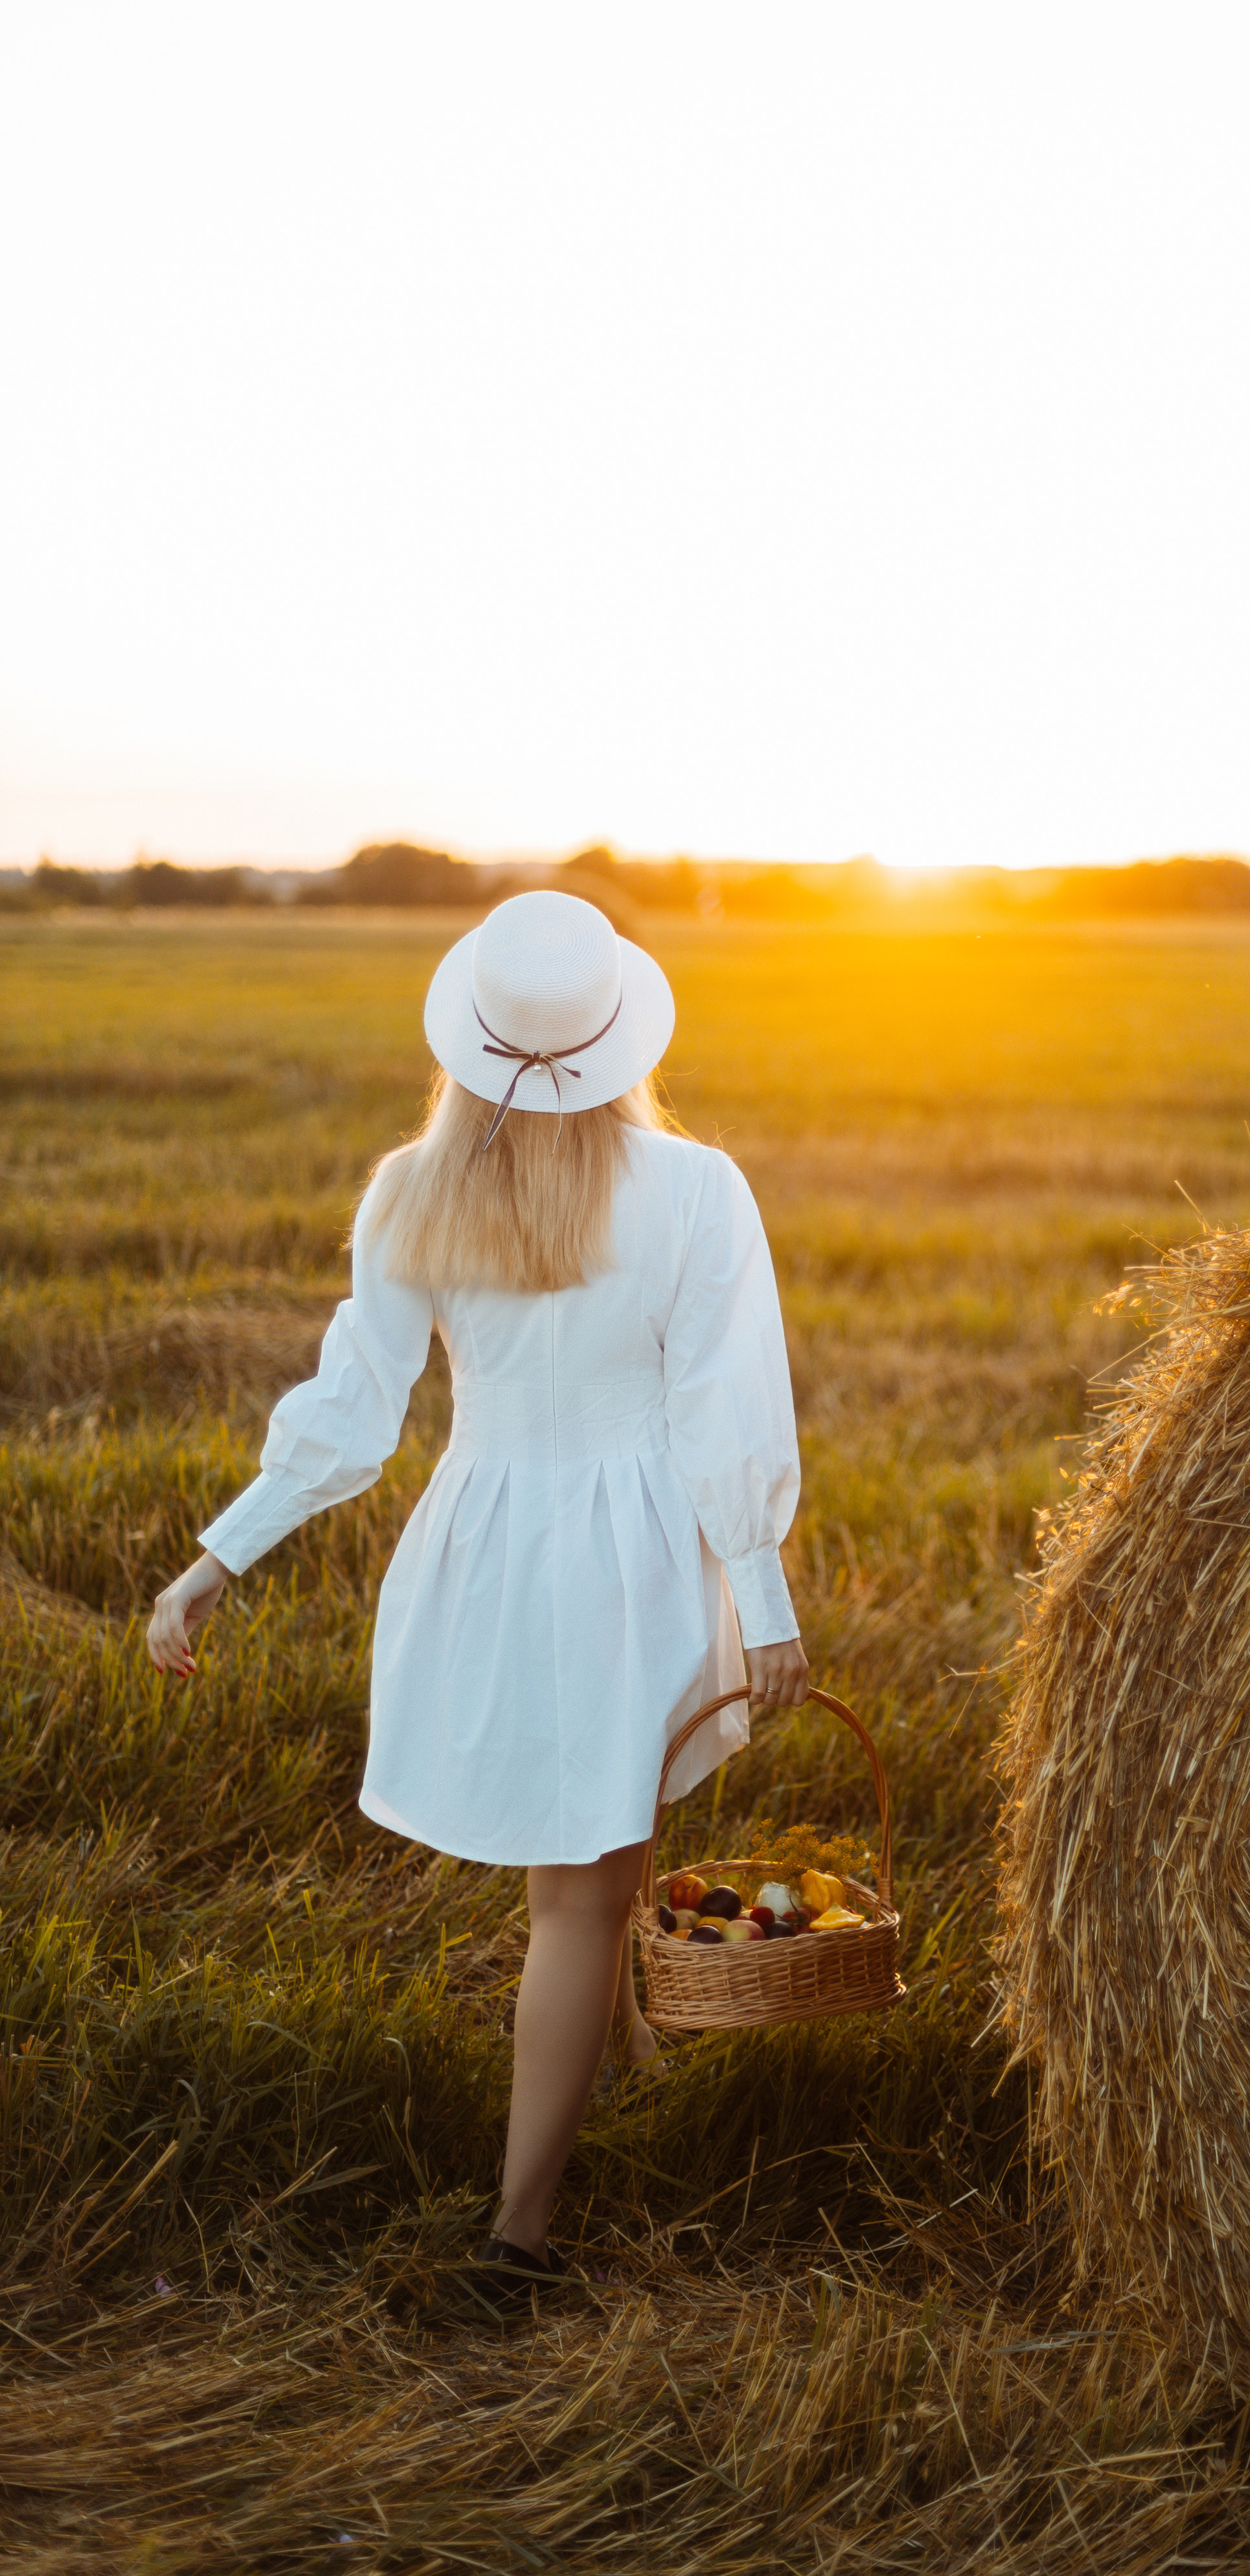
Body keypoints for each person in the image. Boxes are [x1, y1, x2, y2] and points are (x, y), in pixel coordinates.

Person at [146, 891, 807, 2290]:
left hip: (487, 1548)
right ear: (620, 1032)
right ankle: (519, 2236)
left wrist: (220, 1556)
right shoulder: (698, 1190)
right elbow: (719, 1411)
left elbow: (353, 1410)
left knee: (586, 1861)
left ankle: (614, 2071)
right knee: (581, 1892)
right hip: (634, 1557)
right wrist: (760, 1589)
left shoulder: (413, 1186)